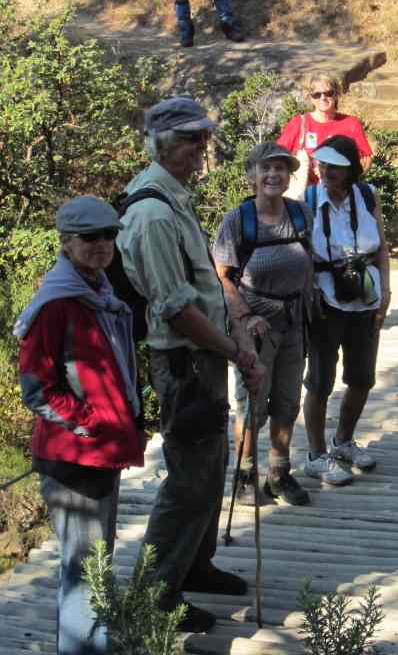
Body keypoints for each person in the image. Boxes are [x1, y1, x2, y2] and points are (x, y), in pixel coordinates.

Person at [116, 96, 265, 634]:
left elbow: (200, 288)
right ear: (163, 145)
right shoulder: (153, 213)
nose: (203, 147)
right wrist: (236, 351)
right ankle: (155, 596)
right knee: (188, 480)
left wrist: (233, 338)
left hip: (203, 356)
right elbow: (176, 309)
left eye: (204, 137)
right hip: (184, 362)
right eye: (192, 139)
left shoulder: (173, 197)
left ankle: (195, 566)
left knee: (210, 467)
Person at [15, 195, 144, 655]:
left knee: (95, 564)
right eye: (90, 236)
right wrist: (92, 424)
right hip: (74, 457)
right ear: (66, 242)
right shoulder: (56, 304)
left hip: (100, 452)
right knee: (84, 570)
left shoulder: (99, 293)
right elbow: (37, 390)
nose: (102, 244)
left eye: (109, 234)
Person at [212, 141, 327, 504]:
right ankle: (245, 476)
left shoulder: (300, 214)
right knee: (252, 406)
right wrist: (245, 318)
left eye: (281, 168)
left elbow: (309, 260)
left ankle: (279, 473)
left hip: (295, 321)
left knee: (288, 402)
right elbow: (222, 276)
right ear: (252, 176)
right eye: (266, 168)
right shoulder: (237, 220)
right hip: (255, 329)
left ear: (290, 176)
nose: (274, 175)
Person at [302, 135, 391, 484]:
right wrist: (309, 290)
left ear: (351, 169)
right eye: (322, 165)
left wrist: (386, 291)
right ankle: (316, 455)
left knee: (362, 377)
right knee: (320, 381)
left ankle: (343, 441)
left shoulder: (367, 196)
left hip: (366, 297)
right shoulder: (309, 200)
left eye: (334, 167)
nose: (326, 172)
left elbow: (381, 248)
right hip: (326, 300)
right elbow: (301, 251)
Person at [276, 74, 373, 194]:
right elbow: (277, 156)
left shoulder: (351, 123)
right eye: (317, 94)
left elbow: (366, 160)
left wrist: (340, 174)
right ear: (311, 98)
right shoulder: (299, 123)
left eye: (328, 93)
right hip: (304, 195)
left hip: (340, 194)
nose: (323, 98)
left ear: (336, 94)